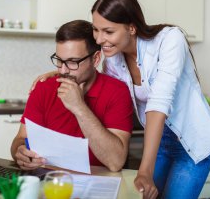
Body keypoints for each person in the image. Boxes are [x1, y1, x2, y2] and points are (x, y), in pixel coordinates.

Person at [31, 0, 210, 199]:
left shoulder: (170, 40)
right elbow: (96, 76)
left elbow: (159, 103)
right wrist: (65, 69)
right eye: (96, 29)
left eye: (108, 31)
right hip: (158, 141)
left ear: (131, 27)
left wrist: (145, 171)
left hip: (192, 143)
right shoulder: (114, 57)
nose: (100, 39)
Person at [11, 19, 133, 172]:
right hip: (51, 181)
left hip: (98, 182)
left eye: (72, 62)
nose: (63, 71)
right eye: (60, 61)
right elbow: (20, 139)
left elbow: (115, 162)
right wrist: (20, 152)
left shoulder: (117, 91)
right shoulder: (44, 87)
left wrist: (79, 107)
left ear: (95, 59)